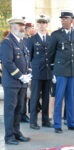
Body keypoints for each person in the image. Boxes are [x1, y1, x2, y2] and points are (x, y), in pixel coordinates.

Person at [49, 10, 74, 133]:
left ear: (71, 20)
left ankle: (71, 123)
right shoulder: (56, 34)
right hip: (61, 71)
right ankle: (57, 125)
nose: (63, 21)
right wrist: (53, 70)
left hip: (73, 71)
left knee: (71, 98)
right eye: (62, 19)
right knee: (59, 98)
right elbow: (50, 53)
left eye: (66, 19)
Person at [1, 17, 31, 145]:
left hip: (22, 82)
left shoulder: (22, 41)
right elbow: (8, 62)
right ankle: (9, 136)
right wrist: (20, 75)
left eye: (23, 25)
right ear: (12, 26)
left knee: (19, 109)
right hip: (12, 82)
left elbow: (26, 60)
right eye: (20, 25)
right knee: (10, 110)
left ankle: (17, 132)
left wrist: (28, 73)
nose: (22, 27)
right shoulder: (7, 42)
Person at [28, 14, 53, 130]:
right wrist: (30, 71)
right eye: (40, 23)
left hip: (48, 73)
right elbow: (29, 57)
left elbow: (52, 56)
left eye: (44, 23)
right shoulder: (32, 39)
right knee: (35, 97)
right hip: (37, 73)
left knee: (46, 98)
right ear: (37, 25)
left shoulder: (50, 39)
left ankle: (45, 120)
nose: (42, 25)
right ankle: (33, 121)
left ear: (47, 25)